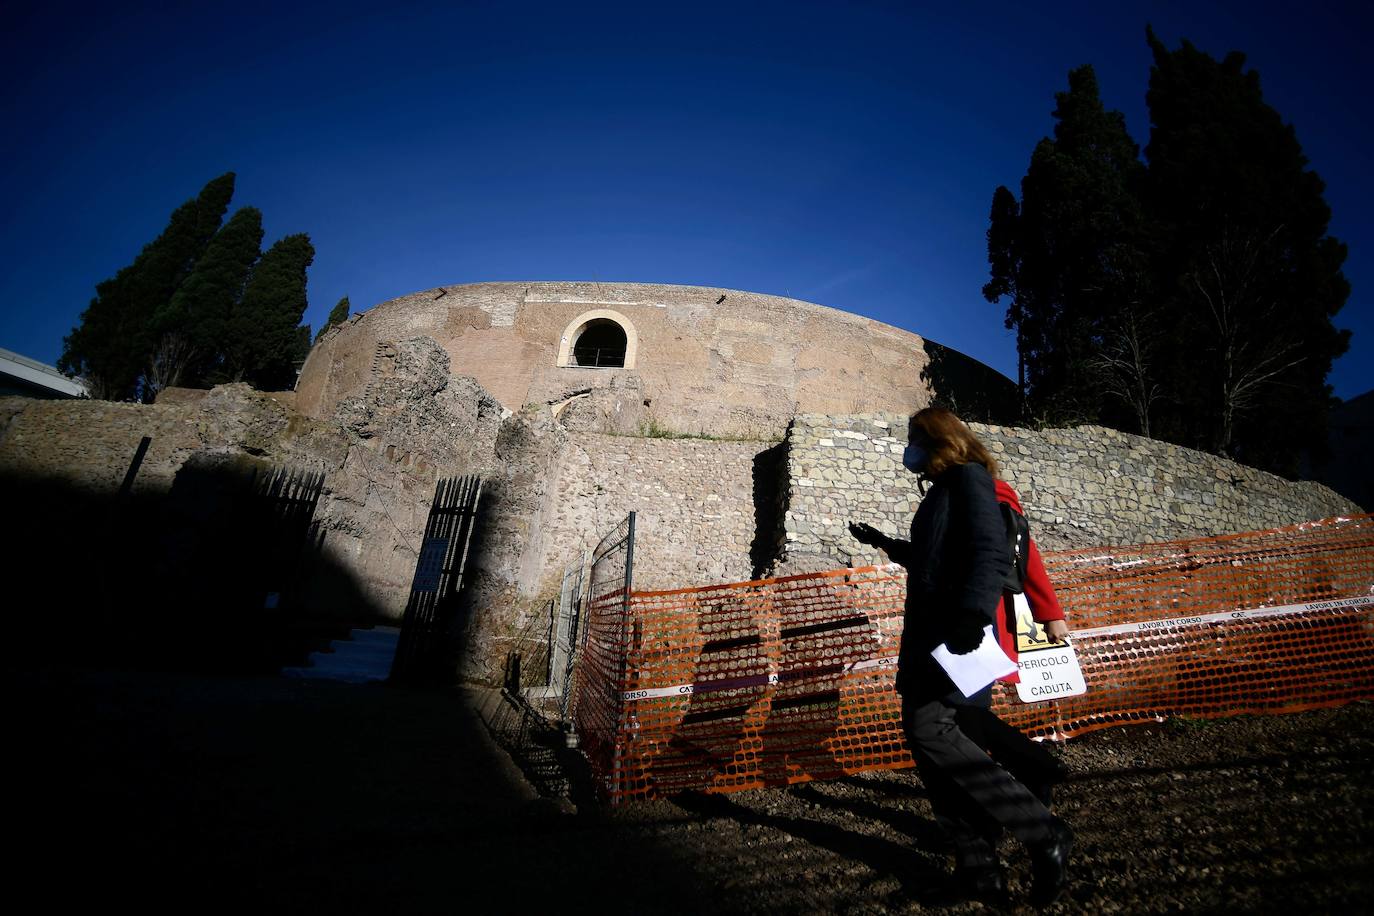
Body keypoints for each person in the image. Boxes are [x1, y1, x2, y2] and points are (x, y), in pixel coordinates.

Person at [849, 407, 1073, 905]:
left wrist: (973, 614)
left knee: (934, 731)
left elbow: (990, 551)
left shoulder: (970, 479)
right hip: (931, 636)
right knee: (936, 756)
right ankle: (979, 870)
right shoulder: (942, 492)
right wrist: (886, 544)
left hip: (955, 636)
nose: (911, 451)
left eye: (914, 439)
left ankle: (1042, 829)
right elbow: (936, 557)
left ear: (938, 440)